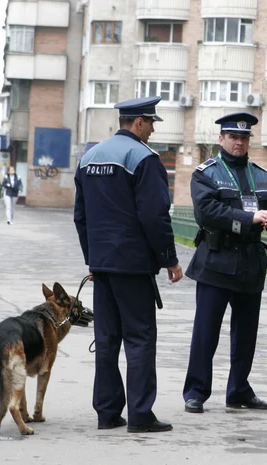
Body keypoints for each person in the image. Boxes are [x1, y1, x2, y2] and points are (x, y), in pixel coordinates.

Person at [74, 96, 183, 433]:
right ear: (138, 123)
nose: (151, 131)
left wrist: (92, 260)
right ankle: (140, 414)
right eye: (151, 123)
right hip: (133, 267)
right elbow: (154, 215)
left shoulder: (88, 158)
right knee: (139, 338)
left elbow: (81, 217)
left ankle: (107, 413)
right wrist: (169, 259)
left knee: (106, 340)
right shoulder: (144, 159)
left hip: (102, 266)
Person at [182, 112, 267, 414]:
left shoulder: (261, 175)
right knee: (206, 332)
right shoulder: (206, 173)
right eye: (233, 137)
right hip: (216, 259)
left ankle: (239, 390)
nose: (239, 142)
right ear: (221, 139)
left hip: (250, 262)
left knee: (246, 334)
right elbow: (207, 212)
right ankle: (196, 392)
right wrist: (249, 218)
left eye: (244, 138)